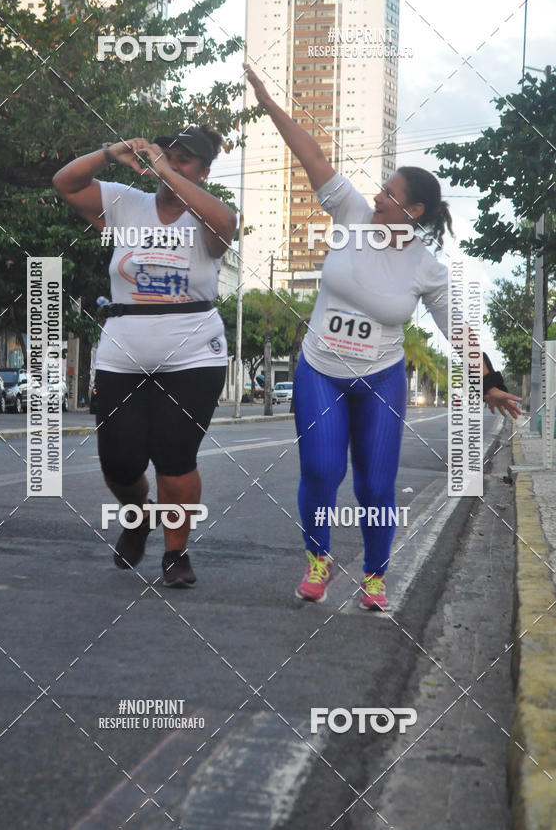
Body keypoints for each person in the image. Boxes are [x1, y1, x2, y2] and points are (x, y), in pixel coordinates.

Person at [244, 64, 522, 610]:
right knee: (321, 470)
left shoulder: (426, 268)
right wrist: (270, 103)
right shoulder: (349, 211)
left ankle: (374, 575)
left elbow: (458, 329)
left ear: (412, 211)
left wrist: (489, 380)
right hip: (320, 369)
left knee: (374, 485)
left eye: (389, 194)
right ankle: (318, 559)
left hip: (380, 378)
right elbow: (311, 154)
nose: (376, 196)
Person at [53, 126, 235, 586]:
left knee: (175, 455)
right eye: (167, 153)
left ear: (204, 172)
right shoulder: (125, 203)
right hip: (123, 349)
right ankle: (138, 514)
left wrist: (165, 171)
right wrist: (109, 152)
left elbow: (225, 223)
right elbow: (65, 183)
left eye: (184, 159)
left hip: (194, 352)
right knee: (119, 463)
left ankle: (176, 554)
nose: (171, 162)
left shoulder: (206, 215)